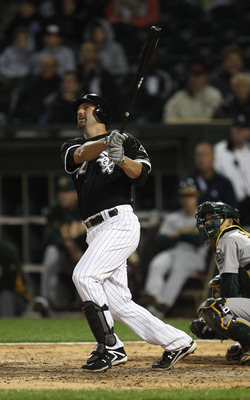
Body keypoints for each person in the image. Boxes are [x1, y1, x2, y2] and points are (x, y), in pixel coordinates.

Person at [60, 92, 196, 372]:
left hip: (119, 223)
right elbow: (80, 155)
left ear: (101, 113)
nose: (80, 112)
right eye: (79, 108)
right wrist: (104, 143)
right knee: (119, 303)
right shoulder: (73, 144)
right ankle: (177, 341)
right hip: (94, 231)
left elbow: (142, 174)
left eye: (86, 107)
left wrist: (121, 158)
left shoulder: (129, 142)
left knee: (84, 275)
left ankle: (110, 346)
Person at [190, 200, 250, 365]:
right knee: (219, 289)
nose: (208, 222)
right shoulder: (240, 237)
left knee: (212, 308)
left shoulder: (228, 237)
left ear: (229, 221)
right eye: (206, 218)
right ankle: (246, 344)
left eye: (213, 217)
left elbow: (229, 283)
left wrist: (217, 318)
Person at [140, 178, 209, 318]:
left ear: (197, 196)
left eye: (190, 195)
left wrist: (179, 235)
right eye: (184, 195)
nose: (187, 199)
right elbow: (162, 241)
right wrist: (182, 236)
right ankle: (153, 296)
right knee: (158, 262)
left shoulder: (204, 217)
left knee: (180, 265)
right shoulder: (173, 217)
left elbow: (201, 240)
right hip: (174, 252)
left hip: (195, 256)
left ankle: (163, 306)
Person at [33, 175, 87, 316]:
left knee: (87, 258)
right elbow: (48, 235)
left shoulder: (85, 209)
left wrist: (78, 247)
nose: (62, 196)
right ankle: (47, 300)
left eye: (67, 191)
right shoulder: (55, 212)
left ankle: (87, 302)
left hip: (86, 256)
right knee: (51, 252)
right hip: (65, 257)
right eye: (60, 192)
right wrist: (68, 244)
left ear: (75, 193)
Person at [172, 142, 238, 210]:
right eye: (199, 155)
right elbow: (176, 208)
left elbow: (232, 210)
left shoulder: (224, 183)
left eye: (205, 155)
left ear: (213, 159)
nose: (202, 160)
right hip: (190, 219)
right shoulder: (185, 182)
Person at [213, 114, 250, 226]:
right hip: (228, 204)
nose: (237, 131)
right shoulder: (219, 150)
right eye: (235, 127)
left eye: (242, 128)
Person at [12, 55, 61, 125]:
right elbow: (22, 100)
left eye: (49, 66)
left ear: (55, 68)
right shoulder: (33, 82)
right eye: (44, 66)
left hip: (50, 116)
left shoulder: (60, 84)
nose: (46, 69)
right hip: (31, 113)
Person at [0, 239, 29, 317]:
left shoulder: (7, 251)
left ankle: (6, 326)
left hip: (16, 297)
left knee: (6, 296)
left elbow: (9, 282)